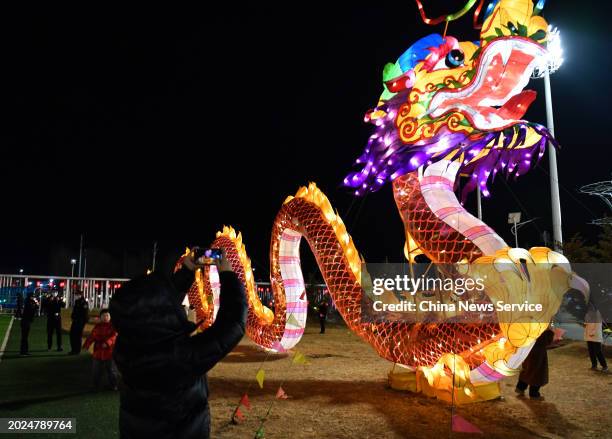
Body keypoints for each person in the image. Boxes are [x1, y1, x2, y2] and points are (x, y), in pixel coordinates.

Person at [110, 248, 247, 439]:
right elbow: (233, 324)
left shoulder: (126, 346)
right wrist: (228, 275)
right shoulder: (178, 357)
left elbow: (154, 304)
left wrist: (187, 271)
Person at [83, 309, 118, 390]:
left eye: (107, 316)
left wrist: (107, 343)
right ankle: (95, 386)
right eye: (103, 316)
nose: (105, 317)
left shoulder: (113, 326)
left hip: (110, 352)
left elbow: (114, 336)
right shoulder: (98, 326)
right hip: (98, 352)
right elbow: (92, 336)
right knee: (96, 371)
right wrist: (86, 345)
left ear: (110, 317)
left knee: (112, 371)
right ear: (100, 317)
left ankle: (113, 385)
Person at [515, 328, 554, 399]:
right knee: (537, 373)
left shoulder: (529, 325)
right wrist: (550, 331)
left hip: (528, 351)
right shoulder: (543, 328)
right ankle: (534, 394)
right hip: (538, 353)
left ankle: (520, 388)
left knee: (527, 369)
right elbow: (547, 341)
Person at [584, 303, 608, 372]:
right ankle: (594, 365)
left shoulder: (597, 313)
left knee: (598, 351)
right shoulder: (587, 314)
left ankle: (604, 366)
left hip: (595, 335)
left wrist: (592, 333)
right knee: (591, 351)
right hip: (589, 335)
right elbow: (586, 323)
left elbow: (597, 325)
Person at [69, 290, 89, 355]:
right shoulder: (77, 302)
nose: (75, 296)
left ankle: (77, 350)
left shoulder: (84, 303)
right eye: (75, 295)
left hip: (80, 322)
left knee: (77, 336)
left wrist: (83, 322)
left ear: (80, 295)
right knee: (72, 335)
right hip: (75, 321)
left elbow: (85, 314)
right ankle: (73, 349)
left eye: (76, 295)